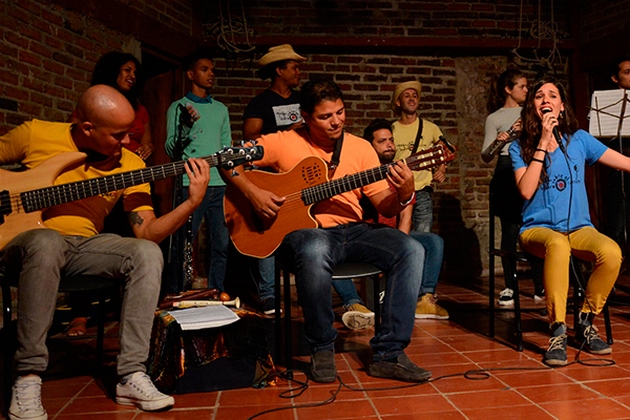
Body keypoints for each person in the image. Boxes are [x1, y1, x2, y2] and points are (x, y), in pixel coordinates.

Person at [0, 85, 210, 419]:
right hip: (21, 244)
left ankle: (130, 374)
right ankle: (27, 376)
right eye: (118, 134)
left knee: (145, 253)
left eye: (130, 132)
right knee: (46, 241)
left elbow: (147, 232)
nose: (127, 142)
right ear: (87, 128)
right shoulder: (35, 134)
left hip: (84, 248)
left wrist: (191, 203)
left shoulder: (130, 165)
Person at [221, 78, 431, 383]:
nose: (336, 121)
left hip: (354, 231)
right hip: (306, 234)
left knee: (411, 248)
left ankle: (390, 353)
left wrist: (404, 193)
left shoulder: (360, 148)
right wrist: (253, 193)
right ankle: (321, 347)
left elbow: (384, 207)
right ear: (305, 117)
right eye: (326, 116)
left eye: (340, 112)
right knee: (315, 247)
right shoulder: (283, 142)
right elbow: (227, 158)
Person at [242, 45, 373, 327]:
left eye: (339, 113)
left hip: (318, 202)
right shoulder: (262, 103)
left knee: (326, 235)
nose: (299, 71)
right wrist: (287, 141)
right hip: (280, 182)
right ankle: (269, 295)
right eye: (293, 66)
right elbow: (248, 138)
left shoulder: (305, 100)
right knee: (278, 234)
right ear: (278, 70)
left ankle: (351, 302)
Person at [509, 76, 624, 366]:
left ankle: (585, 320)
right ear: (532, 106)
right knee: (558, 245)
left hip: (579, 228)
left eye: (552, 95)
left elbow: (624, 162)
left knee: (611, 252)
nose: (545, 100)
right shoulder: (519, 147)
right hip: (537, 230)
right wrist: (543, 141)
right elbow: (526, 190)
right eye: (539, 96)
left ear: (561, 106)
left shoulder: (579, 140)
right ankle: (557, 330)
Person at [67, 51, 156, 337]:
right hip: (97, 182)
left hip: (130, 179)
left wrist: (146, 149)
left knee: (129, 243)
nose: (132, 76)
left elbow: (149, 141)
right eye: (126, 70)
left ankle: (122, 310)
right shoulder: (94, 104)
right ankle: (79, 314)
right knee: (88, 241)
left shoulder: (140, 109)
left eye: (135, 72)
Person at [361, 118, 448, 320]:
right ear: (370, 146)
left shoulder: (401, 175)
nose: (389, 145)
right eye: (382, 141)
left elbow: (406, 217)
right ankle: (353, 304)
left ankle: (424, 299)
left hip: (393, 234)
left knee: (433, 241)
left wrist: (396, 251)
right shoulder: (362, 174)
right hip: (367, 236)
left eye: (391, 140)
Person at [165, 49, 232, 296]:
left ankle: (216, 291)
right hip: (190, 183)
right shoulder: (178, 107)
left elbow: (226, 148)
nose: (210, 74)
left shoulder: (221, 109)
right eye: (204, 69)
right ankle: (176, 292)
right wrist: (186, 127)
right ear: (191, 74)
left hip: (219, 184)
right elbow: (170, 148)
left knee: (221, 243)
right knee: (183, 242)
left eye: (212, 70)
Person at [481, 69, 544, 307]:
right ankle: (509, 286)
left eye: (527, 87)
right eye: (522, 87)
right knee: (509, 230)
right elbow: (486, 155)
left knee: (535, 227)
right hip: (506, 170)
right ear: (508, 89)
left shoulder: (531, 111)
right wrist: (504, 138)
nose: (527, 90)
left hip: (530, 165)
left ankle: (540, 286)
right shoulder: (495, 118)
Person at [391, 80, 447, 233]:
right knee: (399, 233)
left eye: (414, 96)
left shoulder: (430, 127)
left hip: (422, 190)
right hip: (399, 189)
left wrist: (441, 169)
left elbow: (446, 150)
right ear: (398, 102)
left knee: (423, 232)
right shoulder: (392, 129)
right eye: (406, 96)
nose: (411, 99)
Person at [603, 56, 630, 253]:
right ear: (615, 78)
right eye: (627, 72)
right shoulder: (606, 104)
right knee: (617, 222)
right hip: (618, 170)